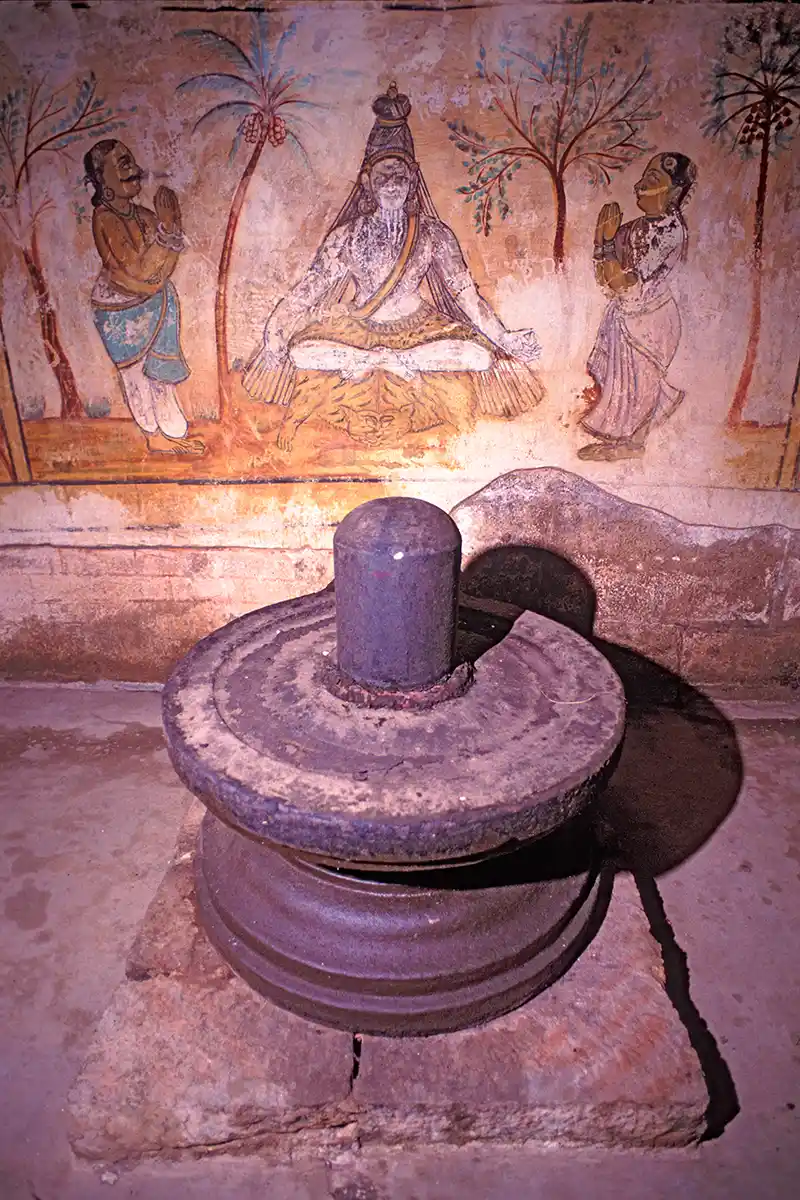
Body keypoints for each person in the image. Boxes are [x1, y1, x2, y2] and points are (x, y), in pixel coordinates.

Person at [243, 83, 543, 451]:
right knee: (300, 351)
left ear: (413, 178)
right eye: (382, 177)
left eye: (399, 176)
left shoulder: (433, 234)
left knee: (478, 355)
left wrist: (505, 338)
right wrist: (274, 331)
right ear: (366, 181)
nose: (391, 186)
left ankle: (392, 360)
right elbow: (307, 290)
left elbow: (468, 297)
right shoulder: (347, 236)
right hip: (357, 332)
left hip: (419, 332)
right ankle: (379, 360)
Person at [84, 140, 204, 455]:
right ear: (102, 180)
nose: (131, 168)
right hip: (118, 310)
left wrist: (168, 227)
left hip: (154, 300)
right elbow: (137, 269)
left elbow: (163, 267)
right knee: (136, 375)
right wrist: (165, 231)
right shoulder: (104, 217)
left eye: (131, 160)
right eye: (121, 163)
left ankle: (171, 431)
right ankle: (153, 435)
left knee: (159, 372)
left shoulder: (145, 215)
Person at [579, 152, 697, 462]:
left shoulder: (669, 232)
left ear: (674, 192)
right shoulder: (634, 228)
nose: (640, 186)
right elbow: (605, 279)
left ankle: (632, 444)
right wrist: (602, 242)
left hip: (651, 322)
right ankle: (625, 443)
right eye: (644, 177)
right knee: (623, 391)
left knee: (641, 389)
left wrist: (603, 244)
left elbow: (623, 284)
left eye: (653, 181)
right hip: (627, 317)